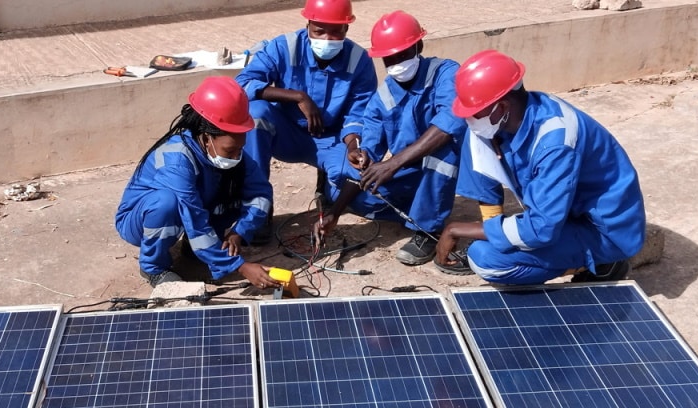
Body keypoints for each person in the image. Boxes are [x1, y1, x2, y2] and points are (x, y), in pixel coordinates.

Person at [436, 49, 647, 285]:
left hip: (604, 231)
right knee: (475, 138)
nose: (469, 119)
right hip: (566, 214)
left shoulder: (555, 144)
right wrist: (488, 230)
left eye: (475, 112)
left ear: (502, 107)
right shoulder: (519, 114)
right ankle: (501, 234)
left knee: (485, 259)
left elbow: (540, 229)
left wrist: (456, 229)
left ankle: (603, 264)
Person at [312, 10, 470, 271]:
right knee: (358, 198)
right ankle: (424, 205)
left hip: (453, 168)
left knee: (442, 150)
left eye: (403, 54)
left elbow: (448, 125)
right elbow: (368, 157)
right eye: (389, 58)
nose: (396, 62)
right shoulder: (383, 98)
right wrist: (335, 213)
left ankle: (428, 229)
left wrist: (392, 164)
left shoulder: (445, 73)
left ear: (419, 46)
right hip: (410, 171)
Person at [115, 76, 279, 289]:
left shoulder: (231, 153)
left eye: (240, 148)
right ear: (206, 137)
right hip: (140, 220)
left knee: (231, 188)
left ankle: (194, 251)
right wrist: (240, 266)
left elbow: (261, 195)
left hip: (191, 211)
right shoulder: (176, 160)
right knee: (166, 203)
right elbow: (194, 218)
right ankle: (153, 267)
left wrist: (240, 231)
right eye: (230, 150)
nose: (236, 155)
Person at [235, 0, 377, 240]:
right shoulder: (284, 47)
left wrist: (353, 145)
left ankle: (327, 188)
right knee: (256, 114)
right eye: (319, 30)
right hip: (286, 133)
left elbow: (360, 111)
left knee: (353, 187)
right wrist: (297, 97)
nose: (327, 39)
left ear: (347, 29)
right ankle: (258, 209)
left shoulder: (359, 59)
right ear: (308, 24)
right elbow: (242, 84)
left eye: (335, 31)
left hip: (332, 138)